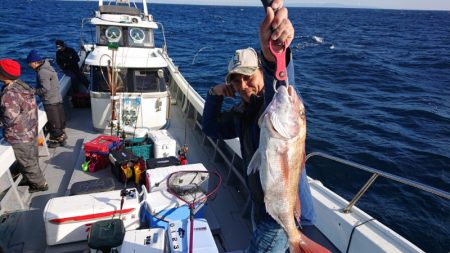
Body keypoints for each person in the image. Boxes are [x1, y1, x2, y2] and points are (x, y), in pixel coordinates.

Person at [201, 3, 316, 252]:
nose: (243, 85)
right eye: (235, 80)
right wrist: (214, 94)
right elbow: (210, 128)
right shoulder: (242, 115)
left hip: (277, 218)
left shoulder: (273, 106)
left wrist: (273, 55)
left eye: (249, 76)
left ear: (261, 73)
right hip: (262, 206)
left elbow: (282, 81)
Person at [0, 59, 48, 193]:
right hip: (30, 129)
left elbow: (9, 117)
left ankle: (40, 184)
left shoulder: (10, 94)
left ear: (5, 75)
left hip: (19, 135)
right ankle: (30, 178)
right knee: (31, 157)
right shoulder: (22, 85)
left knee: (27, 162)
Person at [27, 50, 67, 148]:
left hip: (50, 100)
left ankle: (57, 140)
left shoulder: (42, 72)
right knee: (59, 120)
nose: (29, 65)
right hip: (57, 98)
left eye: (30, 63)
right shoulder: (48, 67)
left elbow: (45, 88)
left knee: (54, 122)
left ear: (35, 62)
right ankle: (62, 136)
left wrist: (33, 92)